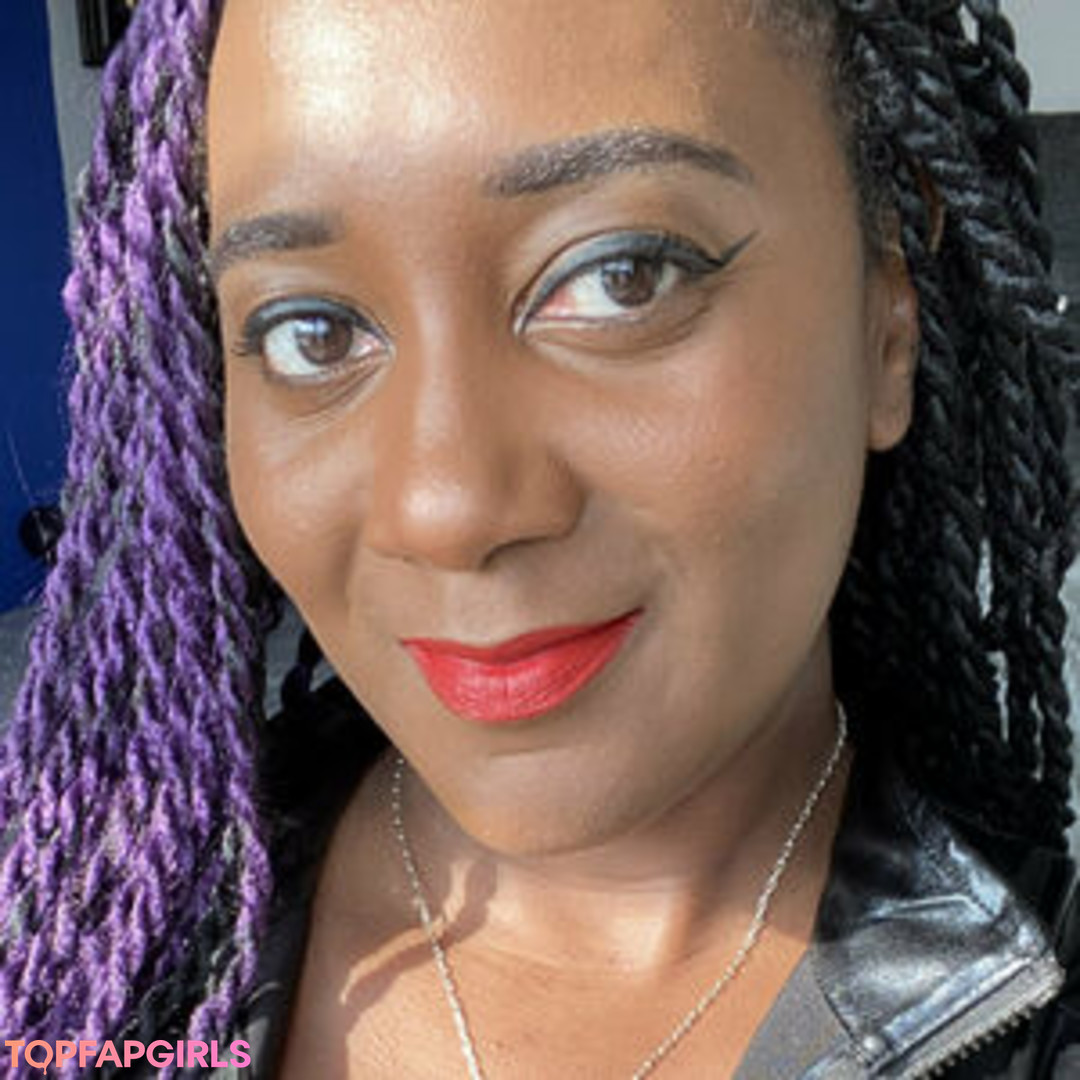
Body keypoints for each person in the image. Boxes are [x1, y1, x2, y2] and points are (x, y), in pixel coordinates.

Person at [2, 0, 1078, 1076]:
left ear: (889, 311)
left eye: (623, 276)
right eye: (311, 331)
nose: (447, 508)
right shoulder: (85, 942)